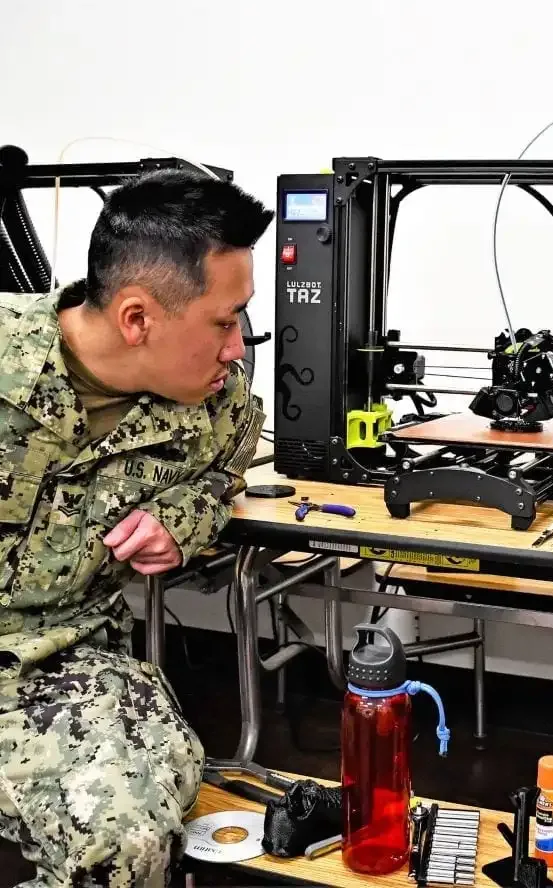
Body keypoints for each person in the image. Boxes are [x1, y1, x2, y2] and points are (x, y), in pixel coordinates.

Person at [0, 169, 271, 886]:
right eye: (223, 320)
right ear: (136, 318)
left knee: (127, 846)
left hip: (60, 671)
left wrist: (181, 520)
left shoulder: (219, 408)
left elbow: (221, 479)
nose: (237, 347)